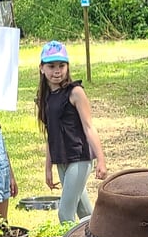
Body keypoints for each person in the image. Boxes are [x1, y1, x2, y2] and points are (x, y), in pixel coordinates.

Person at [34, 40, 106, 225]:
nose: (56, 71)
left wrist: (101, 160)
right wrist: (48, 166)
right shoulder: (45, 98)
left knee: (65, 214)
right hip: (61, 160)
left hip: (79, 158)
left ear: (67, 67)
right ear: (42, 68)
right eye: (51, 66)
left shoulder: (75, 92)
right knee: (86, 214)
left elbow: (89, 127)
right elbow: (50, 134)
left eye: (61, 65)